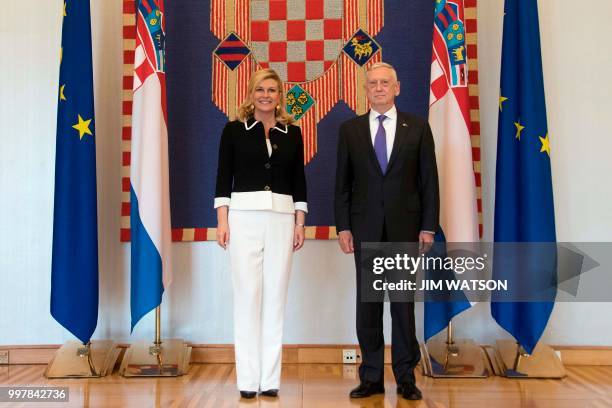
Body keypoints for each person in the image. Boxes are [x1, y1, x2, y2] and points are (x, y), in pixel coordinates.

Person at [334, 62, 439, 400]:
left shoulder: (418, 128)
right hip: (364, 229)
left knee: (402, 306)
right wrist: (344, 227)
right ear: (365, 90)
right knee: (368, 306)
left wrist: (427, 225)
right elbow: (343, 185)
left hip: (406, 228)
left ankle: (406, 377)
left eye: (385, 83)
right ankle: (371, 377)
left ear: (397, 87)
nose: (378, 88)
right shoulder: (350, 130)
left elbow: (429, 183)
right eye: (372, 83)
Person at [214, 68, 307, 399]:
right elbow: (223, 178)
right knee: (248, 297)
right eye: (260, 90)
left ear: (280, 95)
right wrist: (222, 222)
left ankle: (270, 379)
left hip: (282, 219)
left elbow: (299, 182)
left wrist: (299, 222)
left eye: (272, 90)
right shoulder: (234, 131)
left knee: (275, 298)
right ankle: (247, 380)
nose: (266, 95)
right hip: (242, 219)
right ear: (250, 94)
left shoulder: (292, 133)